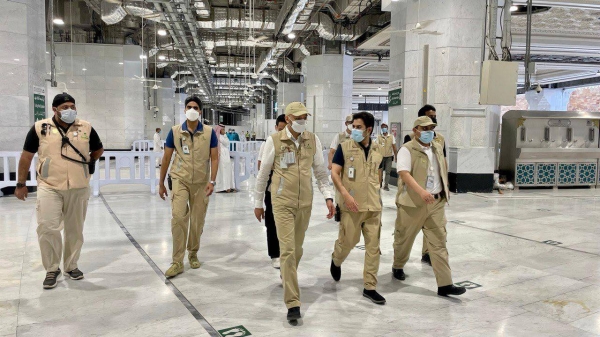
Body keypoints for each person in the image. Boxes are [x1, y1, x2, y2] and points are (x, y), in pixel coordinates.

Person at [254, 102, 335, 322]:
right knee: (287, 250)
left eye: (305, 117)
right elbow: (263, 174)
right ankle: (293, 302)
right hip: (281, 202)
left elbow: (319, 172)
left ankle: (286, 272)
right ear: (288, 118)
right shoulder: (275, 141)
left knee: (297, 249)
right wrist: (258, 202)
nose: (302, 121)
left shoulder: (312, 140)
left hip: (305, 203)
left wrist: (328, 196)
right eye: (298, 117)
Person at [15, 93, 104, 289]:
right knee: (47, 227)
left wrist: (89, 162)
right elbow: (26, 156)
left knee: (75, 229)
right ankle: (52, 269)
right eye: (65, 107)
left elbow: (98, 148)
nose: (70, 109)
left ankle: (71, 266)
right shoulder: (40, 128)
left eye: (72, 105)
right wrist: (21, 184)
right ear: (54, 110)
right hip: (49, 186)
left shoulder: (85, 127)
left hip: (79, 187)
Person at [392, 116, 466, 297]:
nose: (429, 132)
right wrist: (421, 192)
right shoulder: (406, 149)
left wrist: (445, 190)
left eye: (431, 128)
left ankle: (445, 284)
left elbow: (442, 167)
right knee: (404, 239)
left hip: (436, 203)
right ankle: (398, 265)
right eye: (425, 129)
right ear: (416, 130)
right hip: (413, 204)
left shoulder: (437, 147)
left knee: (439, 243)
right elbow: (403, 173)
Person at [158, 96, 219, 278]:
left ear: (200, 111)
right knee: (178, 217)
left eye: (195, 107)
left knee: (197, 219)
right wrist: (161, 183)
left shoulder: (209, 133)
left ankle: (192, 252)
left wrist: (212, 181)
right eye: (189, 107)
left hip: (201, 182)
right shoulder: (175, 131)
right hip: (180, 179)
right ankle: (177, 261)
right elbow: (167, 158)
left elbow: (214, 158)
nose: (192, 109)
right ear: (184, 110)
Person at [329, 112, 386, 305]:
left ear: (369, 130)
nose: (354, 130)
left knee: (373, 247)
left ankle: (370, 286)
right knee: (348, 241)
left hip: (373, 207)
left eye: (359, 127)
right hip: (351, 206)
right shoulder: (344, 148)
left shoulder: (378, 149)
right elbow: (335, 173)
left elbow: (378, 175)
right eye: (353, 126)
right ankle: (336, 259)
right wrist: (345, 195)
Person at [402, 104, 447, 266]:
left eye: (435, 117)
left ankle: (428, 253)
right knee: (407, 232)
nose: (434, 119)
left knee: (436, 228)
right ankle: (399, 262)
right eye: (430, 116)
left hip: (435, 192)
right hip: (416, 192)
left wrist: (445, 185)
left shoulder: (440, 139)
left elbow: (444, 162)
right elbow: (405, 168)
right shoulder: (409, 138)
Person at [257, 114, 288, 269]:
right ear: (276, 127)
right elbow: (261, 167)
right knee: (271, 221)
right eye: (280, 129)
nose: (283, 132)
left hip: (289, 189)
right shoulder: (269, 142)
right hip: (272, 187)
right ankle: (275, 254)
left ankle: (286, 252)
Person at [215, 124, 236, 193]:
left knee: (227, 170)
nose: (224, 131)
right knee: (222, 170)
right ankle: (222, 187)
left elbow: (227, 143)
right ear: (219, 130)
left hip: (225, 154)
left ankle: (228, 186)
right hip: (220, 155)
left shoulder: (223, 136)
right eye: (223, 129)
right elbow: (226, 142)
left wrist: (224, 135)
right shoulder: (218, 136)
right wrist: (224, 135)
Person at [377, 123, 398, 191]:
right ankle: (380, 183)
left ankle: (386, 185)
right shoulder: (379, 137)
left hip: (389, 157)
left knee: (388, 172)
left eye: (385, 127)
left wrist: (396, 156)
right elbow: (376, 147)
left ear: (387, 128)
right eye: (382, 127)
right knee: (380, 171)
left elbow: (394, 147)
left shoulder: (391, 137)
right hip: (381, 157)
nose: (384, 128)